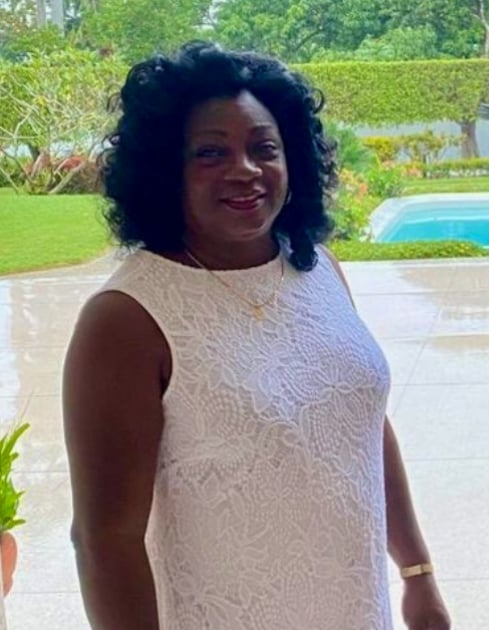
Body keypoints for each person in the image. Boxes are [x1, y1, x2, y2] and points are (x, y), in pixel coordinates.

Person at [62, 42, 450, 630]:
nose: (243, 169)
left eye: (263, 148)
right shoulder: (127, 318)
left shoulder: (319, 268)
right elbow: (104, 539)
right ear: (166, 168)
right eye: (210, 153)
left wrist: (417, 573)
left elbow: (364, 424)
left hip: (352, 609)